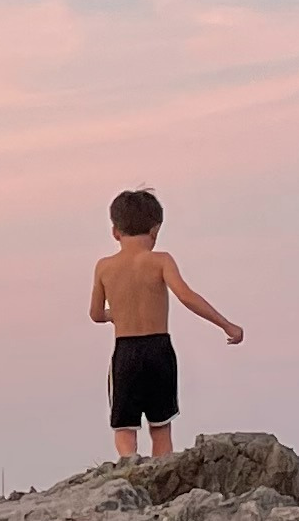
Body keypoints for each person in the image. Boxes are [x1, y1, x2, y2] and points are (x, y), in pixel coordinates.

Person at [89, 186, 241, 461]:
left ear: (115, 231)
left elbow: (96, 314)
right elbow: (187, 296)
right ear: (155, 230)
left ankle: (129, 468)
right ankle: (161, 468)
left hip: (126, 352)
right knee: (161, 426)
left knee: (124, 426)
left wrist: (118, 313)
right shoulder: (160, 261)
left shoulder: (104, 267)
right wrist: (226, 325)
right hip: (159, 349)